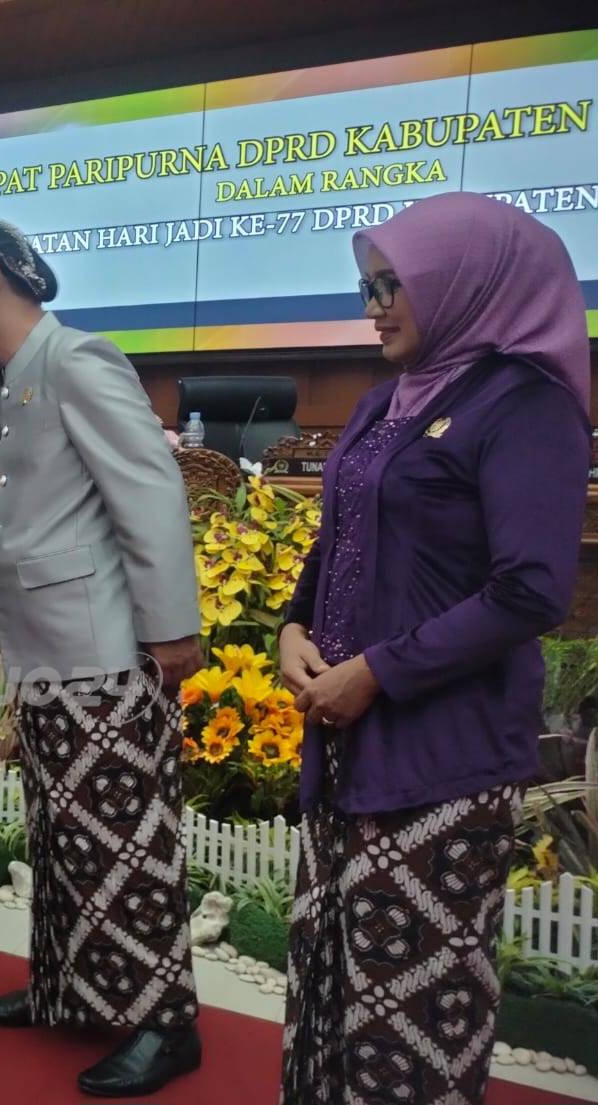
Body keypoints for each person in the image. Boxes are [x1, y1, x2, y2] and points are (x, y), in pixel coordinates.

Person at [278, 192, 589, 1105]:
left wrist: (377, 671)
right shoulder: (386, 401)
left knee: (409, 1012)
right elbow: (338, 536)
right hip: (346, 744)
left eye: (393, 285)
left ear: (463, 284)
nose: (374, 306)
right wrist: (292, 627)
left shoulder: (526, 405)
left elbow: (529, 589)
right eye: (366, 286)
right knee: (330, 985)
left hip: (442, 758)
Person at [0, 217, 204, 1097]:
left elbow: (150, 491)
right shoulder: (22, 376)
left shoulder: (77, 359)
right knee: (63, 836)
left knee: (123, 839)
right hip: (51, 651)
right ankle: (71, 988)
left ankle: (167, 1023)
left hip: (103, 653)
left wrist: (171, 628)